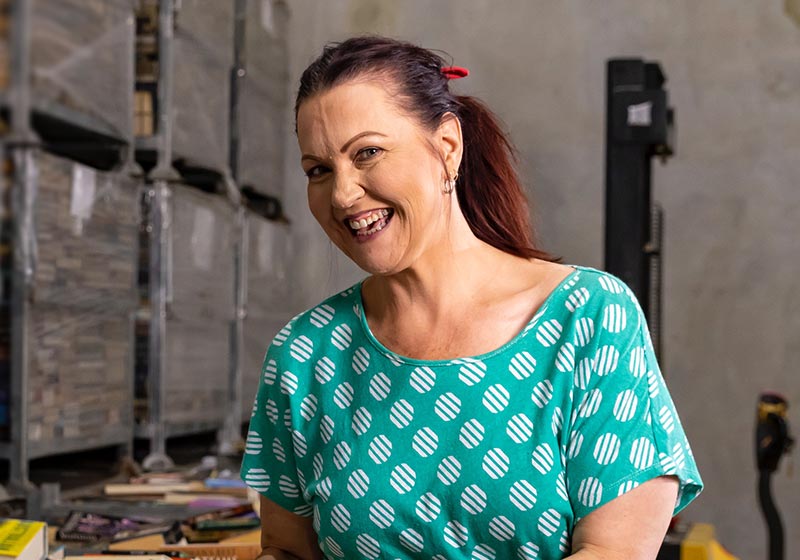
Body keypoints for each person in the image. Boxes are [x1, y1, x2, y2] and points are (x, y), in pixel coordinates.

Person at [241, 36, 703, 560]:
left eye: (367, 153)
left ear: (447, 147)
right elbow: (288, 552)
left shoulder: (590, 318)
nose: (343, 194)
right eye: (318, 170)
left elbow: (614, 552)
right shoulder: (305, 354)